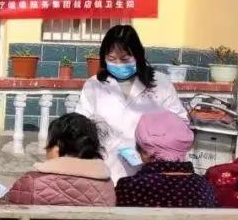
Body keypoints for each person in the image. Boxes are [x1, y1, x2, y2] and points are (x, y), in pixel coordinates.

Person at [76, 25, 187, 183]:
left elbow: (180, 124)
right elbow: (80, 125)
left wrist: (152, 148)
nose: (118, 64)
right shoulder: (94, 85)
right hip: (105, 169)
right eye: (112, 59)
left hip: (153, 173)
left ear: (137, 56)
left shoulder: (160, 83)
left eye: (125, 59)